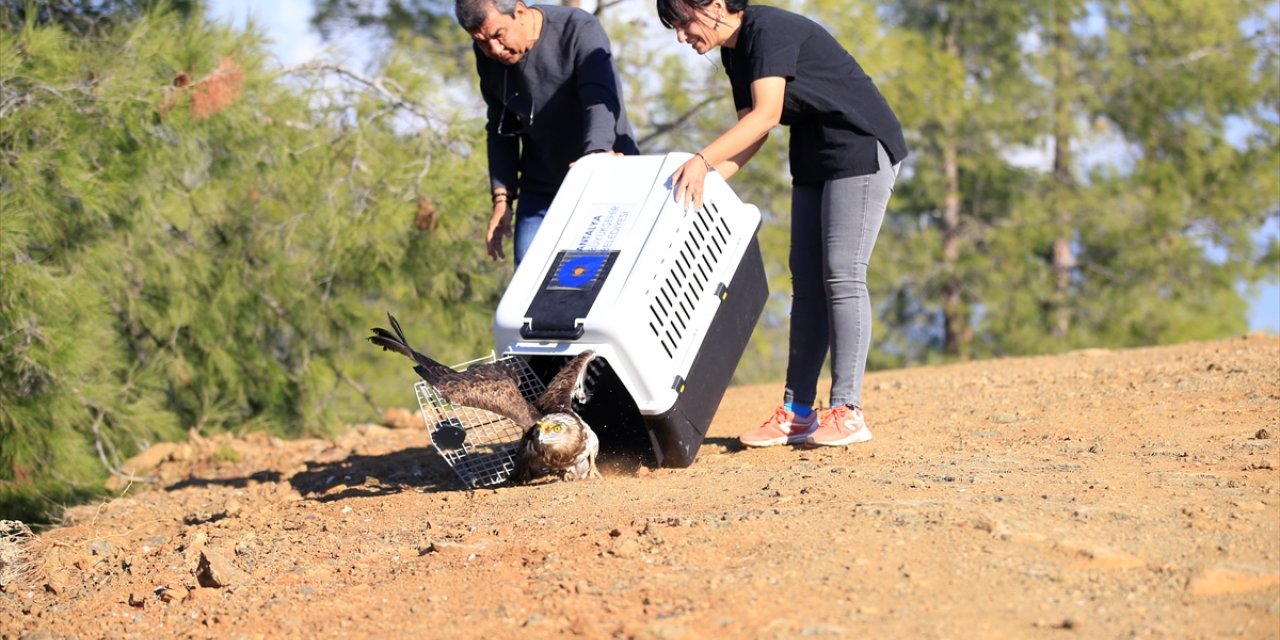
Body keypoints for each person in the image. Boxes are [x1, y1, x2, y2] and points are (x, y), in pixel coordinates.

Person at [656, 0, 908, 447]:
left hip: (860, 147)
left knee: (843, 276)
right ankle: (797, 412)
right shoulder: (735, 53)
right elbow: (750, 134)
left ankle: (848, 410)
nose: (680, 36)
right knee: (807, 283)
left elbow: (766, 114)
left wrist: (700, 161)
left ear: (714, 5)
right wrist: (706, 188)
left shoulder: (766, 30)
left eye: (683, 22)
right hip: (812, 155)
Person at [456, 0, 641, 265]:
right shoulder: (487, 53)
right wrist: (502, 198)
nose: (494, 50)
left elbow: (599, 99)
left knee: (598, 281)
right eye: (482, 42)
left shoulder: (578, 28)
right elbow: (500, 129)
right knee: (531, 287)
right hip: (541, 188)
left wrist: (596, 156)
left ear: (519, 12)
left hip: (603, 177)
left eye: (498, 36)